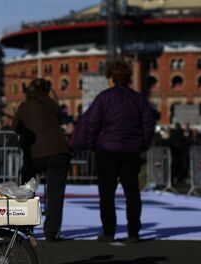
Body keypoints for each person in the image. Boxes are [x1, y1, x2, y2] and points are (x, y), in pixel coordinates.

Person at [72, 59, 156, 243]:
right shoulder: (139, 98)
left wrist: (92, 145)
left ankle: (108, 232)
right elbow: (149, 124)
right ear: (128, 78)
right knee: (132, 194)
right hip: (131, 150)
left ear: (110, 78)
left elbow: (92, 123)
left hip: (107, 150)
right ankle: (133, 232)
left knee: (107, 195)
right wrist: (143, 143)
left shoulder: (104, 97)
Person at [12, 78, 71, 242]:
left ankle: (25, 227)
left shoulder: (24, 106)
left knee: (26, 190)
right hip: (58, 151)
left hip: (34, 154)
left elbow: (15, 127)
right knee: (55, 195)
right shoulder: (52, 103)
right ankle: (52, 232)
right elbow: (60, 120)